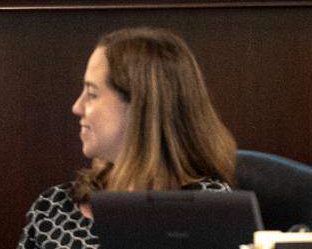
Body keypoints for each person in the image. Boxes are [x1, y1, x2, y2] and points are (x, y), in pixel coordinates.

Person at [18, 27, 238, 249]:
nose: (77, 107)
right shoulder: (53, 207)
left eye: (92, 94)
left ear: (140, 107)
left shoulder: (207, 208)